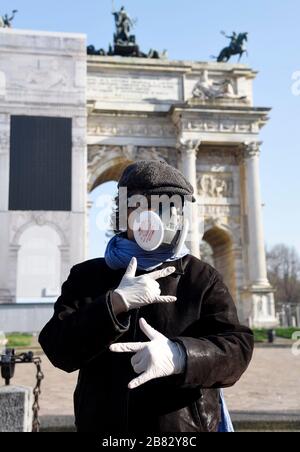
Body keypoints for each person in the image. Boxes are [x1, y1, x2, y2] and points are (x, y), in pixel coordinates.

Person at [39, 160, 254, 433]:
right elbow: (58, 350)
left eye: (168, 205)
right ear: (122, 211)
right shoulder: (87, 277)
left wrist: (182, 355)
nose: (153, 214)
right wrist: (113, 304)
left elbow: (238, 350)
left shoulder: (201, 278)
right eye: (140, 203)